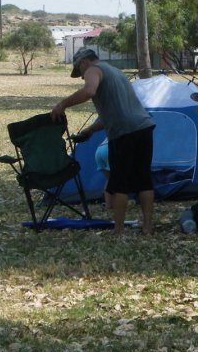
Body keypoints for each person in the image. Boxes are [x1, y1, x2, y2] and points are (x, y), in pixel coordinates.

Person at [51, 47, 155, 236]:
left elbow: (89, 91)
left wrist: (62, 104)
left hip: (123, 133)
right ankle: (148, 227)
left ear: (84, 63)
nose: (83, 77)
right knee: (144, 180)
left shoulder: (93, 70)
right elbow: (118, 110)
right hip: (144, 127)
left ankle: (118, 229)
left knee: (120, 182)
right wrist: (91, 130)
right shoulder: (116, 71)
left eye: (80, 72)